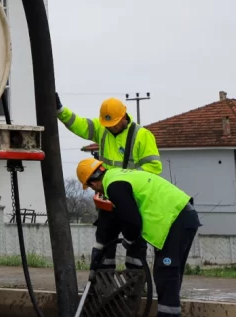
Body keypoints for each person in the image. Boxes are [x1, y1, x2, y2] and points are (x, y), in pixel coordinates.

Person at [77, 158, 201, 317]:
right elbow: (122, 218)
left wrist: (128, 241)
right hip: (179, 217)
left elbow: (132, 221)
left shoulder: (114, 186)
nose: (96, 191)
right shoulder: (119, 176)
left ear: (93, 183)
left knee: (167, 276)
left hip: (176, 219)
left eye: (93, 188)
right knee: (166, 276)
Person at [56, 93, 162, 271]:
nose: (111, 128)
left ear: (124, 117)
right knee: (104, 243)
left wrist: (126, 180)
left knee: (135, 246)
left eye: (114, 124)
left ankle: (134, 281)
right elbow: (79, 124)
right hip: (108, 199)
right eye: (108, 124)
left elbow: (154, 168)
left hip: (132, 201)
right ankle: (103, 282)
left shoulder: (142, 136)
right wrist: (60, 111)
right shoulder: (102, 129)